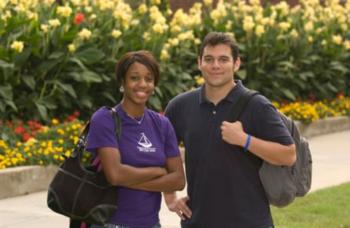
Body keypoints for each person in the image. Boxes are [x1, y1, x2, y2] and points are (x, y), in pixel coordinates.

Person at [164, 32, 296, 227]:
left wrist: (245, 140)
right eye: (209, 59)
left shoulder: (257, 105)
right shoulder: (180, 106)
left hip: (250, 222)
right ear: (200, 62)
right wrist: (170, 197)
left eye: (223, 59)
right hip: (198, 221)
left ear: (236, 64)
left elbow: (288, 154)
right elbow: (164, 151)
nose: (215, 65)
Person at [85, 50, 186, 228]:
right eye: (134, 78)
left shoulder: (162, 124)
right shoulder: (104, 119)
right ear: (122, 82)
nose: (142, 84)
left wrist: (131, 179)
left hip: (151, 224)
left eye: (149, 79)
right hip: (110, 223)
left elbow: (178, 180)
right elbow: (115, 175)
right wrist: (158, 171)